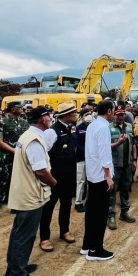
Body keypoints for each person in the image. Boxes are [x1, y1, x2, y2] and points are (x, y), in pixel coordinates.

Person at [5, 106, 56, 276]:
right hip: (30, 195)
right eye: (48, 116)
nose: (50, 118)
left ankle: (14, 268)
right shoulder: (34, 141)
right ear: (42, 119)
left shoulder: (27, 135)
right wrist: (54, 183)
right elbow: (41, 171)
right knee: (24, 236)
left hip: (23, 192)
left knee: (18, 233)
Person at [39, 102, 79, 252]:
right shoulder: (52, 132)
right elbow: (44, 153)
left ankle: (64, 231)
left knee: (66, 203)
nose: (76, 115)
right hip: (55, 177)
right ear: (67, 115)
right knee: (48, 207)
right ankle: (44, 238)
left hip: (68, 174)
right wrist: (48, 176)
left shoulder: (71, 128)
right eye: (74, 113)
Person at [80, 100, 115, 261]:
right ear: (109, 111)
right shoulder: (103, 128)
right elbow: (104, 154)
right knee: (100, 213)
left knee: (91, 211)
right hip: (101, 176)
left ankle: (87, 245)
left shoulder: (93, 125)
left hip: (92, 174)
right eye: (113, 110)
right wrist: (108, 176)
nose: (113, 113)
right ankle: (96, 250)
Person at [0, 101, 30, 222]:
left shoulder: (24, 122)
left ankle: (14, 206)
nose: (22, 109)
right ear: (13, 109)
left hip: (19, 158)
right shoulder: (2, 123)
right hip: (4, 159)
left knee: (17, 184)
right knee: (0, 185)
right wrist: (14, 151)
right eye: (19, 107)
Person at [107, 104, 136, 230]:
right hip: (115, 165)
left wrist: (134, 160)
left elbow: (133, 144)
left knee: (125, 188)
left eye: (122, 114)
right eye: (117, 114)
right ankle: (111, 215)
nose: (119, 117)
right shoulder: (108, 128)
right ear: (114, 115)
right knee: (112, 191)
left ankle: (125, 212)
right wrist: (118, 142)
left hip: (127, 164)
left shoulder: (129, 126)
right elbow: (105, 146)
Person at [74, 109, 93, 212]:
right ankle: (78, 202)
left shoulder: (93, 127)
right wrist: (87, 152)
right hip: (81, 158)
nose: (88, 116)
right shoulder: (78, 128)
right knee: (80, 181)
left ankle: (88, 200)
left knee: (90, 180)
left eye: (90, 114)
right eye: (86, 115)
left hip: (92, 159)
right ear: (81, 117)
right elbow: (78, 144)